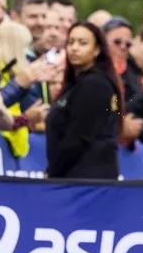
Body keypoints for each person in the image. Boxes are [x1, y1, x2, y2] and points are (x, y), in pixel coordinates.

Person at [44, 21, 122, 179]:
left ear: (97, 50)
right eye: (71, 42)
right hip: (78, 176)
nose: (74, 48)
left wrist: (53, 172)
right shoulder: (77, 83)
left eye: (83, 43)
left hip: (86, 179)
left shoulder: (95, 84)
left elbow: (79, 137)